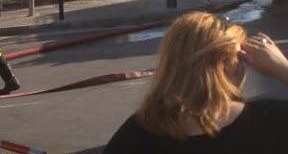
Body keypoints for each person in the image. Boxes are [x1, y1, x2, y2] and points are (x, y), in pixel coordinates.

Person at [103, 11, 288, 153]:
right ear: (224, 66)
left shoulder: (136, 133)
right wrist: (283, 69)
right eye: (241, 58)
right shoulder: (270, 121)